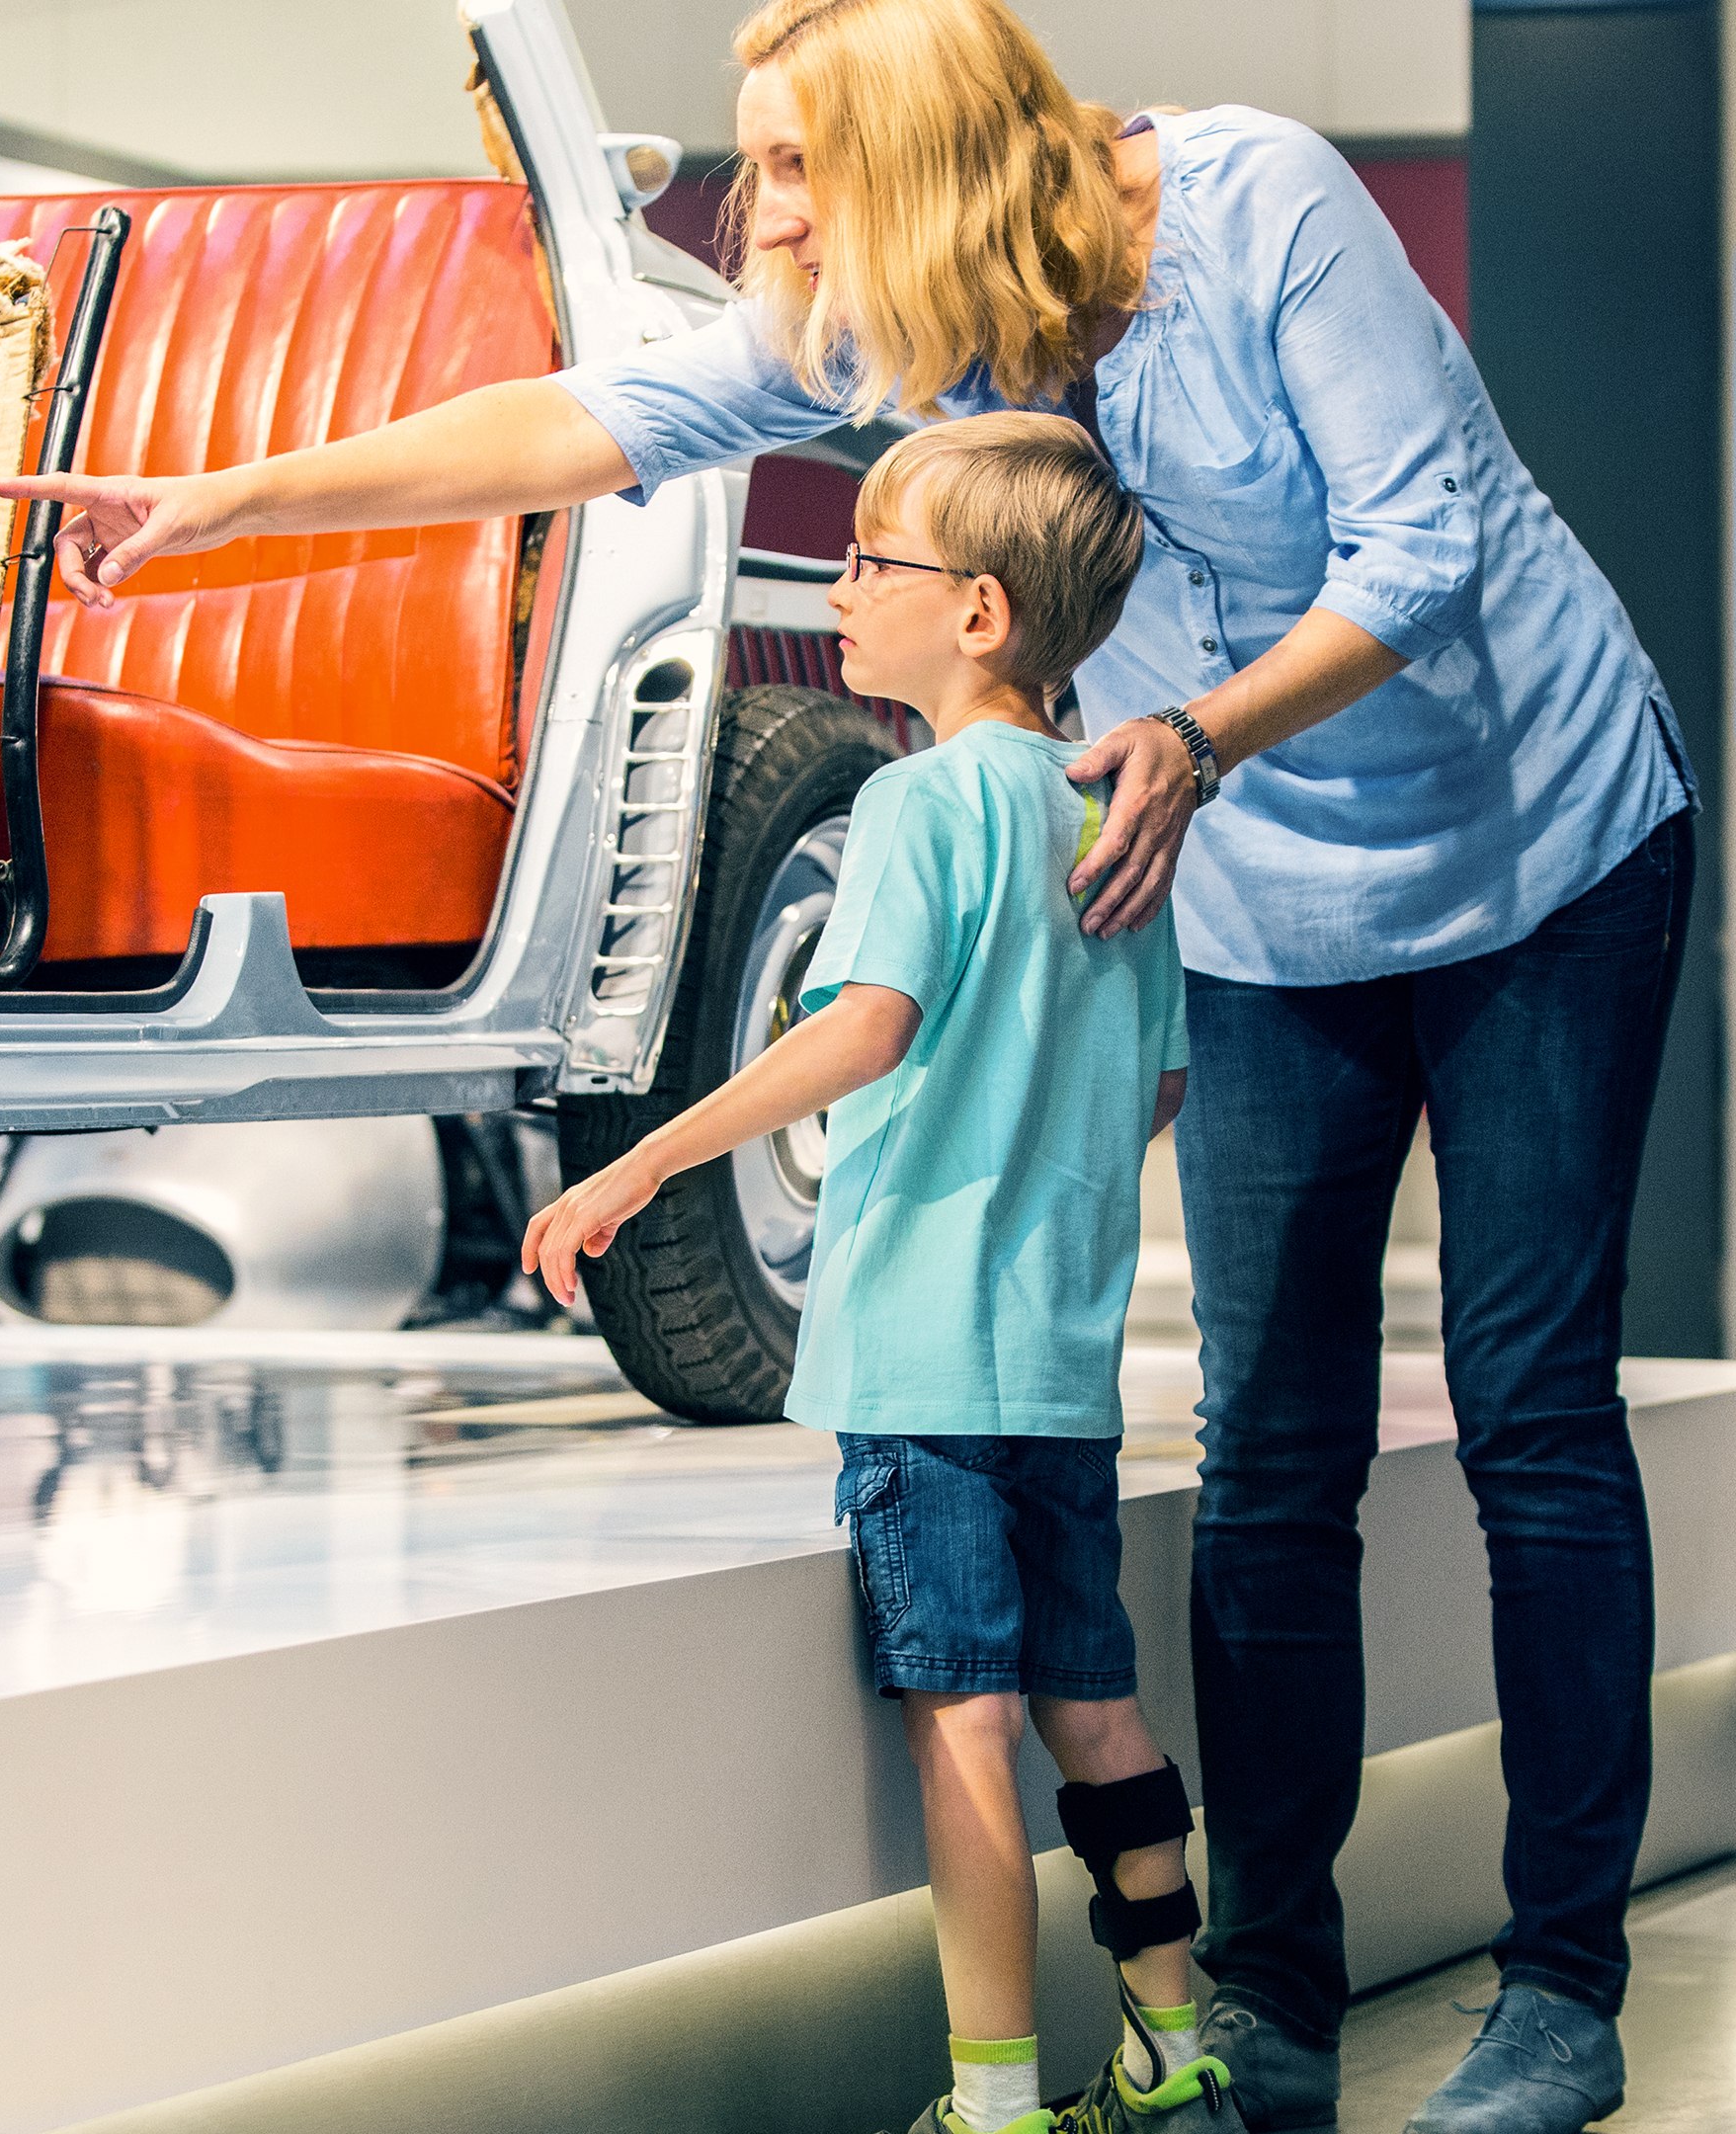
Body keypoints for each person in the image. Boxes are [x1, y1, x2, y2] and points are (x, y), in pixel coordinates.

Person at [0, 4, 1693, 2126]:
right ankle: (1263, 2008)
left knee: (1536, 1417)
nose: (764, 215)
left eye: (800, 167)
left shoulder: (1258, 202)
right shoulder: (902, 331)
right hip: (1259, 901)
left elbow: (1425, 555)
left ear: (927, 152)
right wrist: (238, 503)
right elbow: (584, 422)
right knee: (1273, 1458)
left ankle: (1559, 1991)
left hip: (1542, 840)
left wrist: (1202, 738)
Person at [521, 413, 1223, 2134]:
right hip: (1059, 1370)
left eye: (866, 559)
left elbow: (867, 1025)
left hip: (921, 1364)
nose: (835, 590)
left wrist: (649, 1154)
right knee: (1099, 1718)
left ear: (978, 611)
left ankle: (991, 2108)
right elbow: (1164, 1084)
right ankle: (1180, 2050)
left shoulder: (916, 798)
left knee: (962, 1730)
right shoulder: (1102, 820)